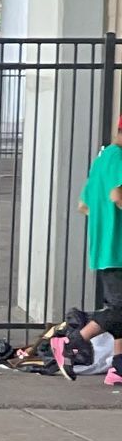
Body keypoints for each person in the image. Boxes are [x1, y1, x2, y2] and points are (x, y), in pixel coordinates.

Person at [82, 127, 122, 315]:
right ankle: (75, 338)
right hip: (117, 249)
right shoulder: (117, 158)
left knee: (116, 309)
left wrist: (103, 220)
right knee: (118, 310)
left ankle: (116, 346)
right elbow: (117, 195)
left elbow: (84, 204)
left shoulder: (101, 159)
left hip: (104, 248)